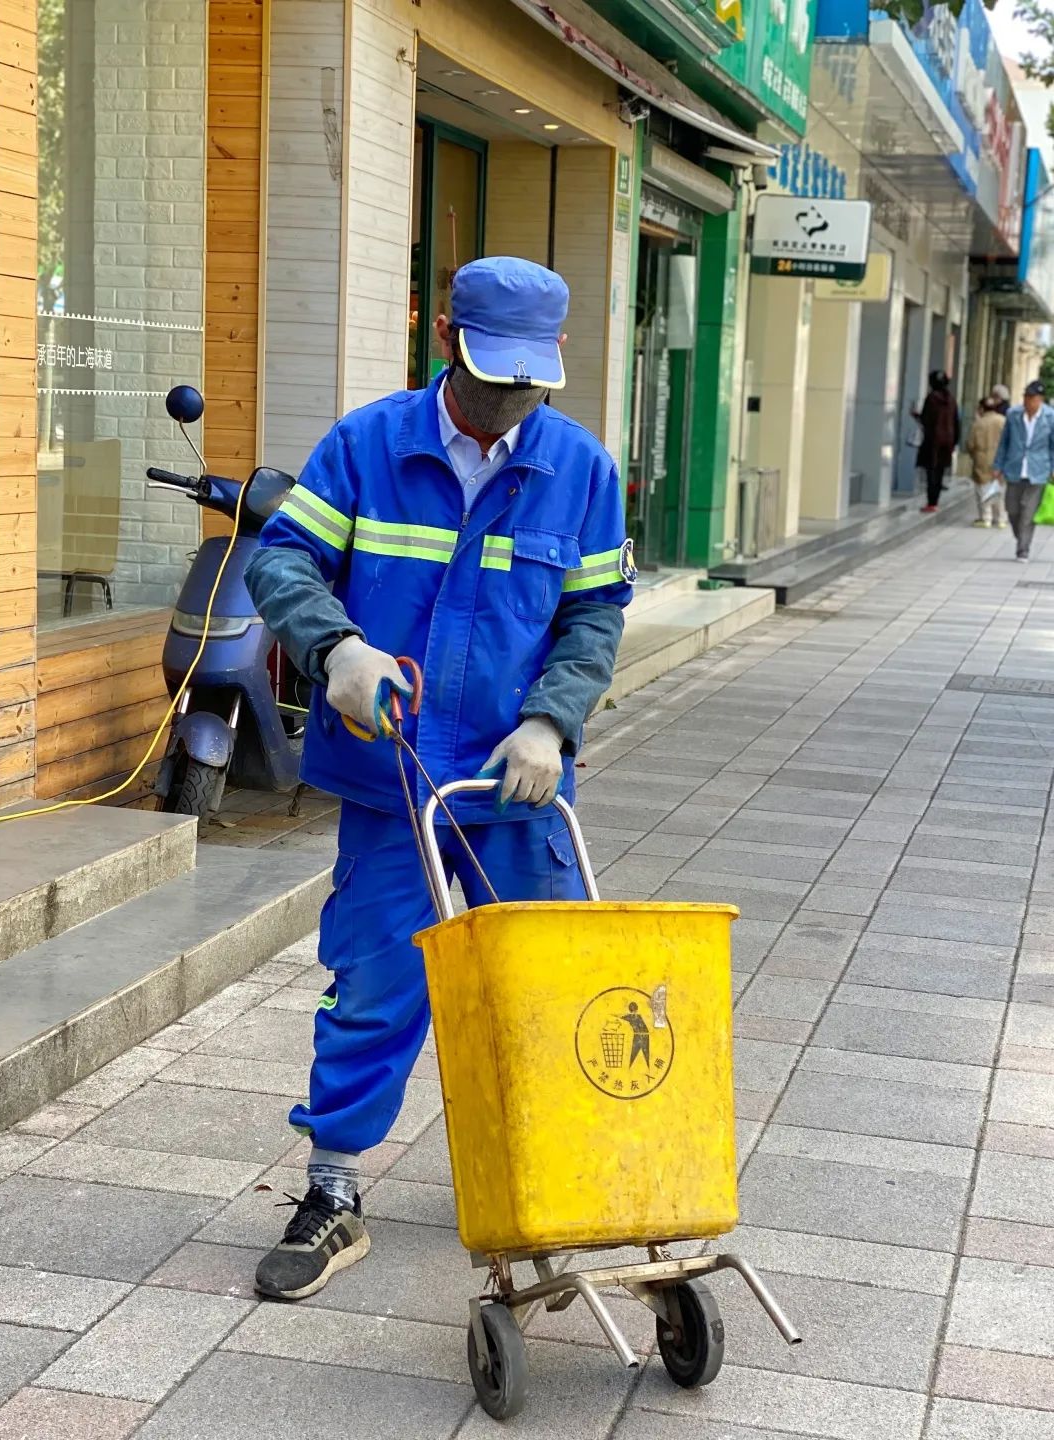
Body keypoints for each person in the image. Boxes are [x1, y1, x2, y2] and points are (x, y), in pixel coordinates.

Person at [243, 256, 634, 1300]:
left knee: (540, 989)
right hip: (394, 777)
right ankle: (332, 1194)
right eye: (491, 373)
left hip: (515, 785)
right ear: (445, 341)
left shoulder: (579, 470)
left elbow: (595, 615)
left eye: (528, 382)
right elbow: (281, 564)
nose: (509, 400)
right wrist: (336, 650)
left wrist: (552, 722)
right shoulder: (367, 447)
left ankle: (548, 1179)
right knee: (376, 984)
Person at [992, 379, 1054, 562]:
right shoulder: (1013, 415)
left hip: (1038, 471)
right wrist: (997, 466)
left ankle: (1023, 550)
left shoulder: (1050, 417)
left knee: (1028, 511)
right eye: (1026, 397)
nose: (1028, 401)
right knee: (1012, 510)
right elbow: (1004, 443)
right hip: (1015, 469)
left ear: (1040, 399)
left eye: (1032, 398)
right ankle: (1022, 538)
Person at [915, 370, 961, 513]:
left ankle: (930, 502)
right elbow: (956, 421)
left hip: (932, 441)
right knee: (939, 471)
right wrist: (954, 441)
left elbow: (926, 419)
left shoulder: (932, 398)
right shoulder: (951, 400)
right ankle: (935, 502)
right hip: (947, 442)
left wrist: (916, 415)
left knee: (931, 471)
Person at [965, 397, 1007, 529]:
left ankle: (986, 517)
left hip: (982, 460)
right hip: (1001, 460)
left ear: (982, 409)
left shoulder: (978, 423)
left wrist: (974, 455)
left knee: (983, 489)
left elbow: (970, 444)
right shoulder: (1003, 421)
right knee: (999, 489)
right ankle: (1000, 518)